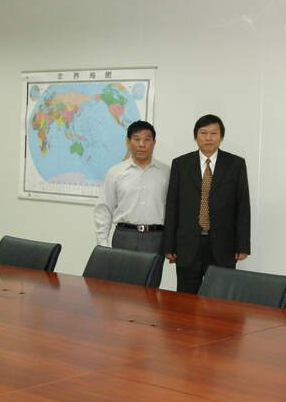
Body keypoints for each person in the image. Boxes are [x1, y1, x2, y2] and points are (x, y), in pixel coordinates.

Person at [163, 114, 251, 294]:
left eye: (213, 133)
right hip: (188, 246)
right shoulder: (180, 164)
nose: (208, 138)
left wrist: (243, 245)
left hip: (223, 245)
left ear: (221, 136)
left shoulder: (236, 164)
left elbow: (242, 207)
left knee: (219, 300)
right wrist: (169, 245)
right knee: (186, 301)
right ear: (196, 136)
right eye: (203, 133)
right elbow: (172, 206)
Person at [94, 120, 170, 254]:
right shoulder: (115, 172)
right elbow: (104, 208)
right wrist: (102, 243)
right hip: (124, 236)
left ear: (154, 143)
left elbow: (173, 210)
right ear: (128, 142)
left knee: (153, 269)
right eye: (137, 139)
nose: (142, 144)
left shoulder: (166, 172)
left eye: (147, 139)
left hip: (156, 238)